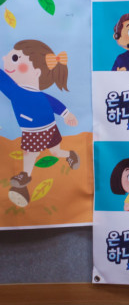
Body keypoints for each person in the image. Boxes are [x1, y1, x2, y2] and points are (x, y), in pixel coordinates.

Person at [1, 40, 80, 207]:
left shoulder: (22, 92)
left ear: (36, 72)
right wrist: (66, 114)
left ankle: (69, 155)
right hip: (36, 130)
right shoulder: (15, 90)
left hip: (47, 128)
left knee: (51, 152)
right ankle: (25, 179)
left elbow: (54, 104)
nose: (4, 58)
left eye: (15, 58)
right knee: (35, 154)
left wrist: (66, 114)